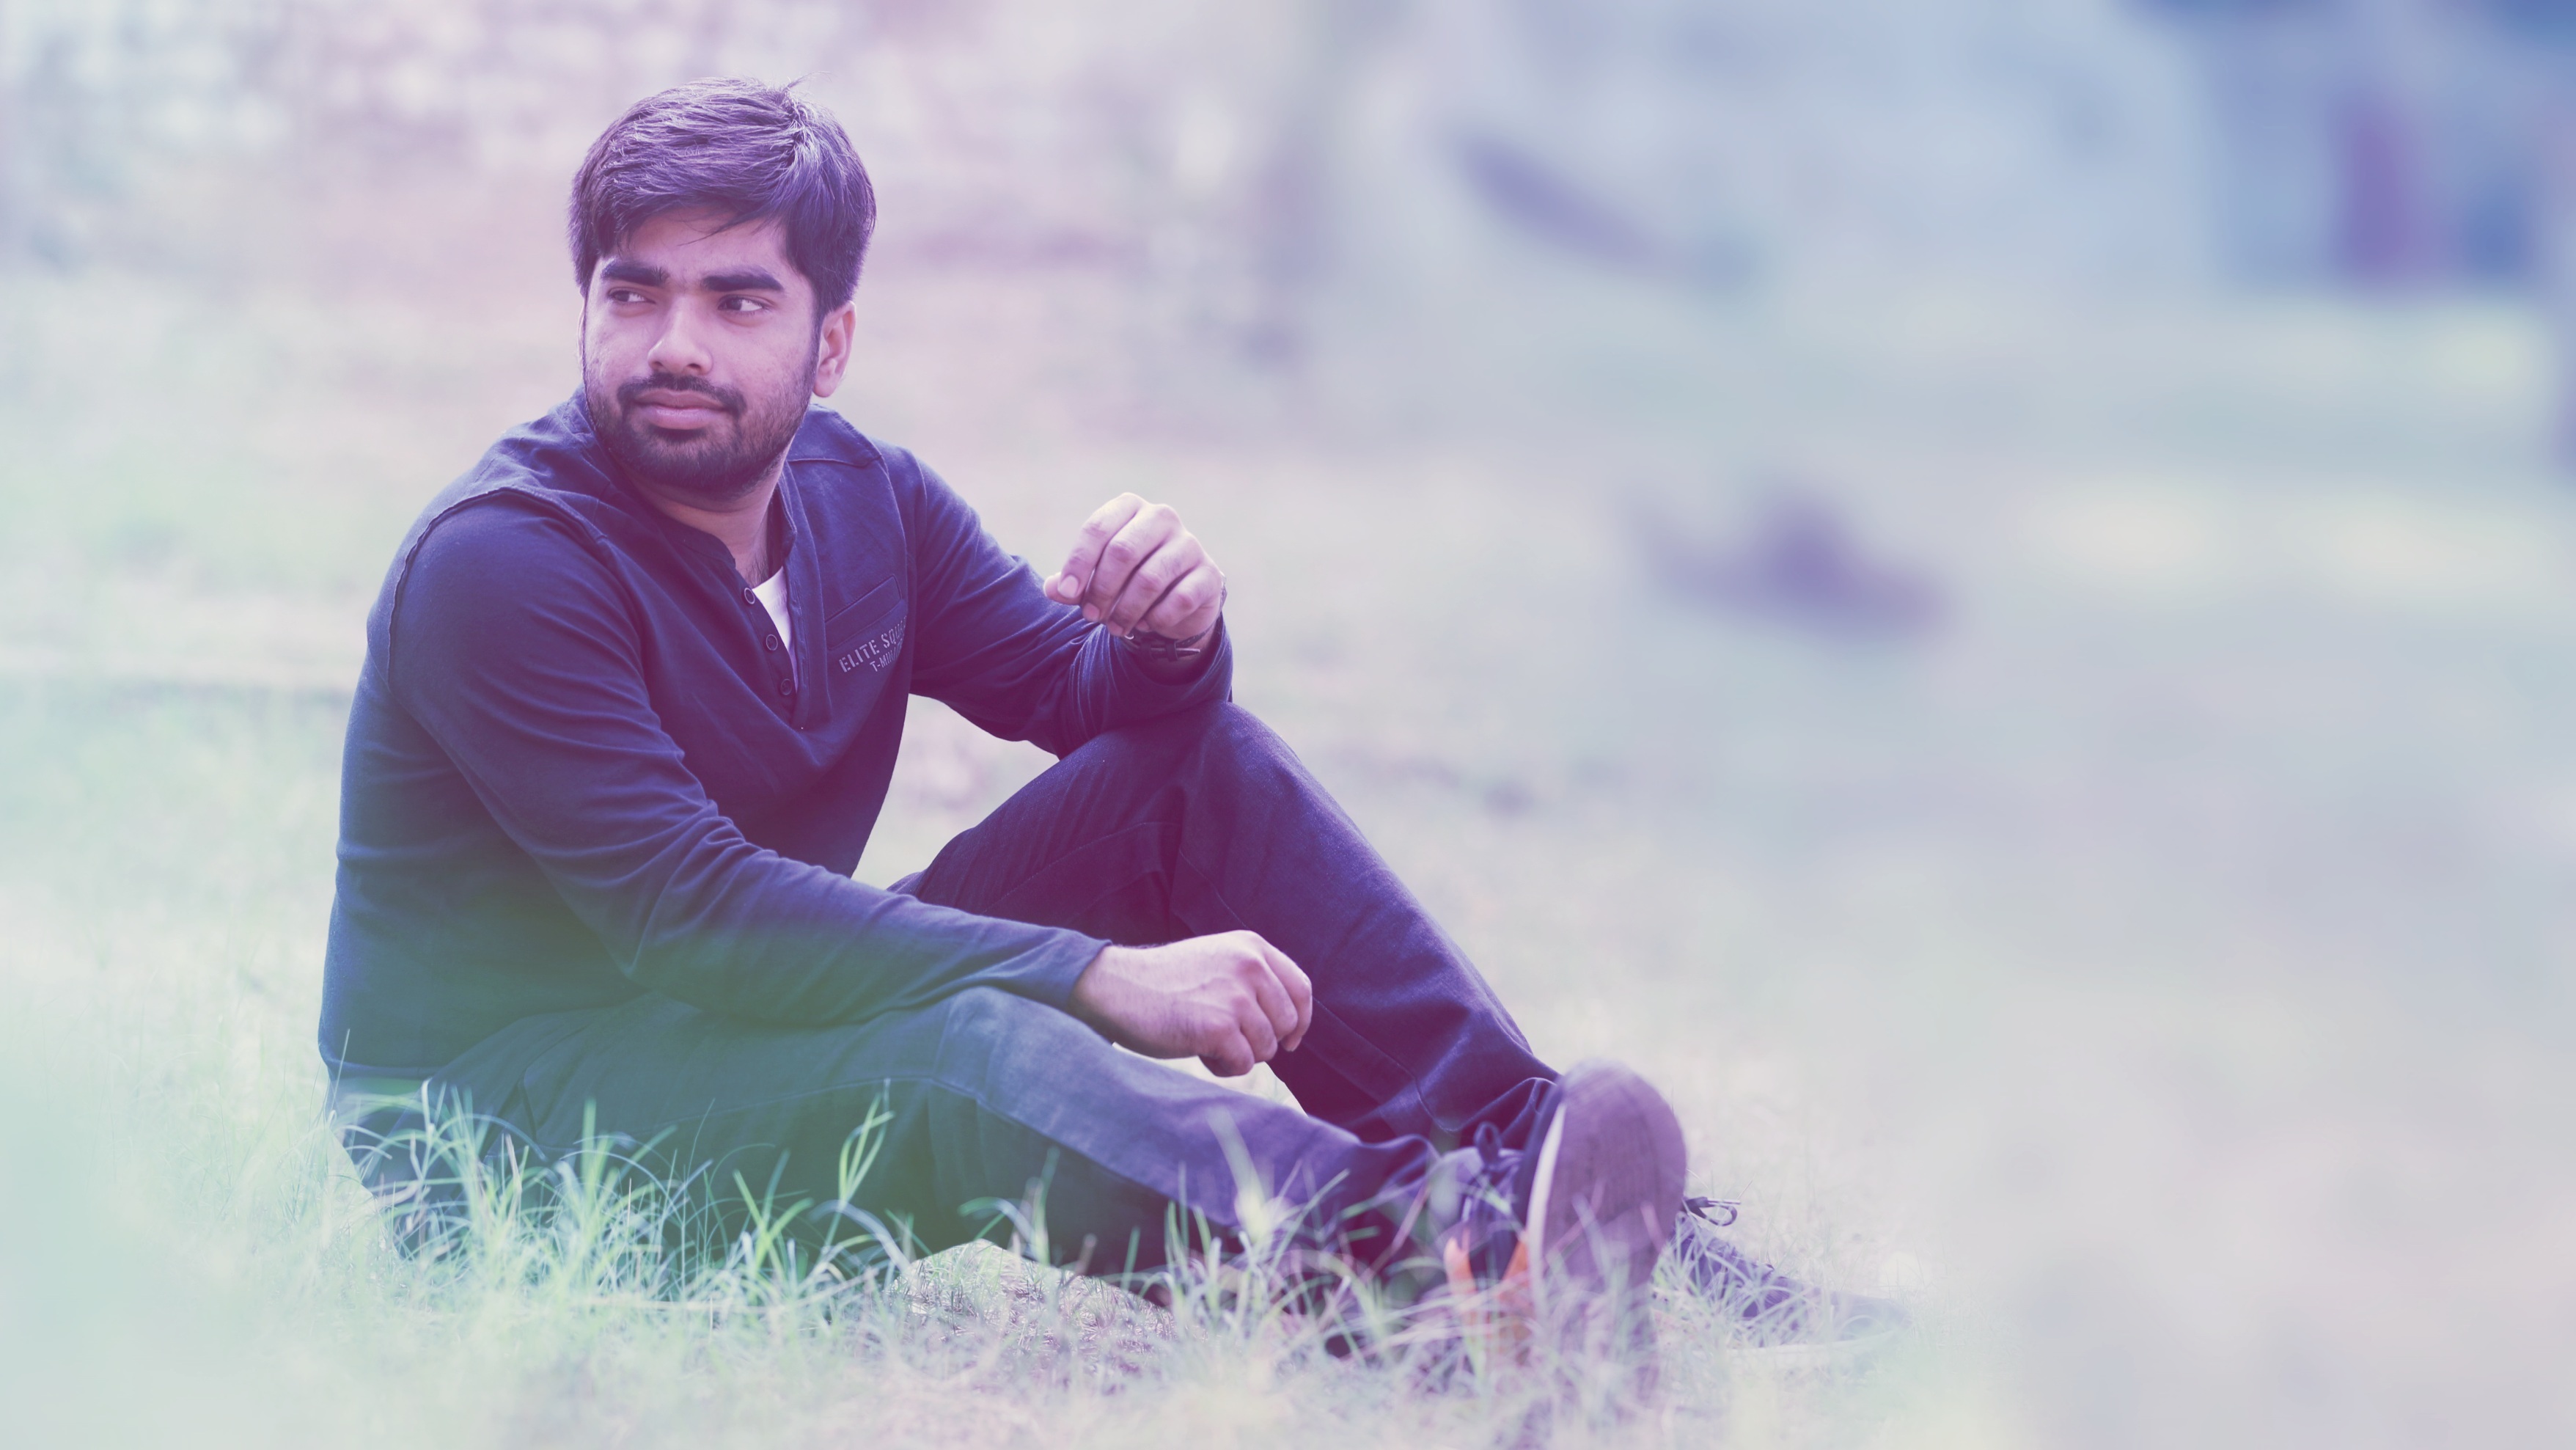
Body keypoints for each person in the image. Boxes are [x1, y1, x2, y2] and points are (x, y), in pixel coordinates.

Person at [319, 77, 1893, 1358]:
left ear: (829, 342)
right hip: (512, 1134)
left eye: (737, 300)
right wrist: (1091, 972)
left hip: (729, 1026)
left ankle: (1556, 1191)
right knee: (961, 1042)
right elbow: (694, 913)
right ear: (586, 309)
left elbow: (1089, 700)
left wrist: (1170, 640)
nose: (675, 342)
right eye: (634, 292)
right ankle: (1454, 1271)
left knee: (1192, 771)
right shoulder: (504, 563)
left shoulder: (866, 499)